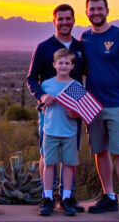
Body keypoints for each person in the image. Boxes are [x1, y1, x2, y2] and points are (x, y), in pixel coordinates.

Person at [81, 0, 119, 221]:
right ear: (86, 13)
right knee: (99, 150)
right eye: (91, 9)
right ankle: (108, 195)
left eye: (99, 9)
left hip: (118, 104)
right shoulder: (84, 38)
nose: (95, 12)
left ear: (107, 10)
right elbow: (85, 69)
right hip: (92, 105)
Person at [25, 4, 85, 213]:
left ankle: (67, 196)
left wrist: (80, 110)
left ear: (74, 20)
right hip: (48, 113)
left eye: (68, 18)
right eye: (60, 19)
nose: (65, 22)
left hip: (72, 114)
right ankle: (47, 197)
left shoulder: (80, 47)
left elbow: (89, 76)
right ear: (54, 21)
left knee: (70, 156)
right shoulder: (43, 47)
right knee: (47, 156)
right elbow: (31, 78)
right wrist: (41, 96)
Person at [38, 49, 82, 216]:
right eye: (60, 63)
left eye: (67, 63)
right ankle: (47, 197)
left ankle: (66, 198)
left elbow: (81, 110)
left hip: (69, 132)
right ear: (54, 65)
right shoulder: (46, 85)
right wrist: (44, 100)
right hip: (50, 130)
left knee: (69, 164)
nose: (63, 66)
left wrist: (77, 114)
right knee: (49, 164)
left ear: (72, 66)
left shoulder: (76, 86)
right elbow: (41, 107)